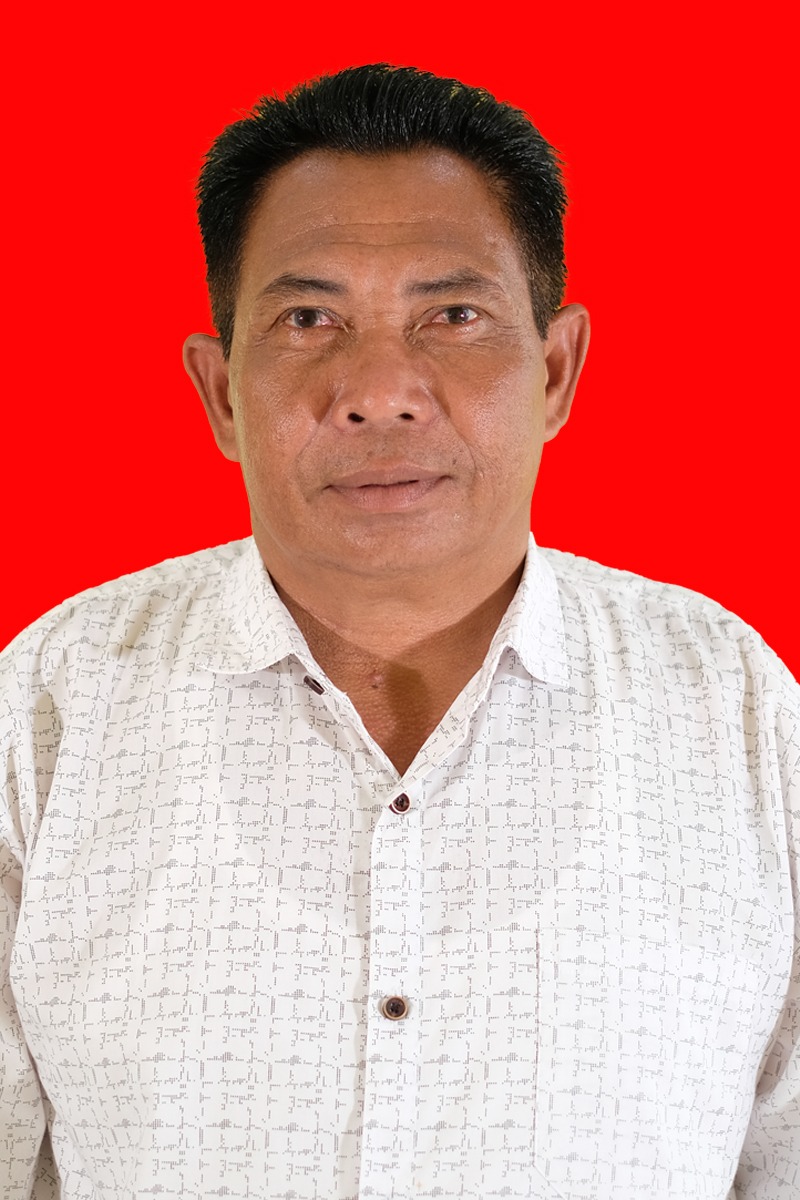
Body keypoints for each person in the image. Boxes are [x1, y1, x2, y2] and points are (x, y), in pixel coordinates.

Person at [0, 63, 797, 1200]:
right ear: (220, 393)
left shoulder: (736, 712)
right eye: (307, 318)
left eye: (453, 316)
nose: (379, 389)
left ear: (556, 370)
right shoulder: (51, 710)